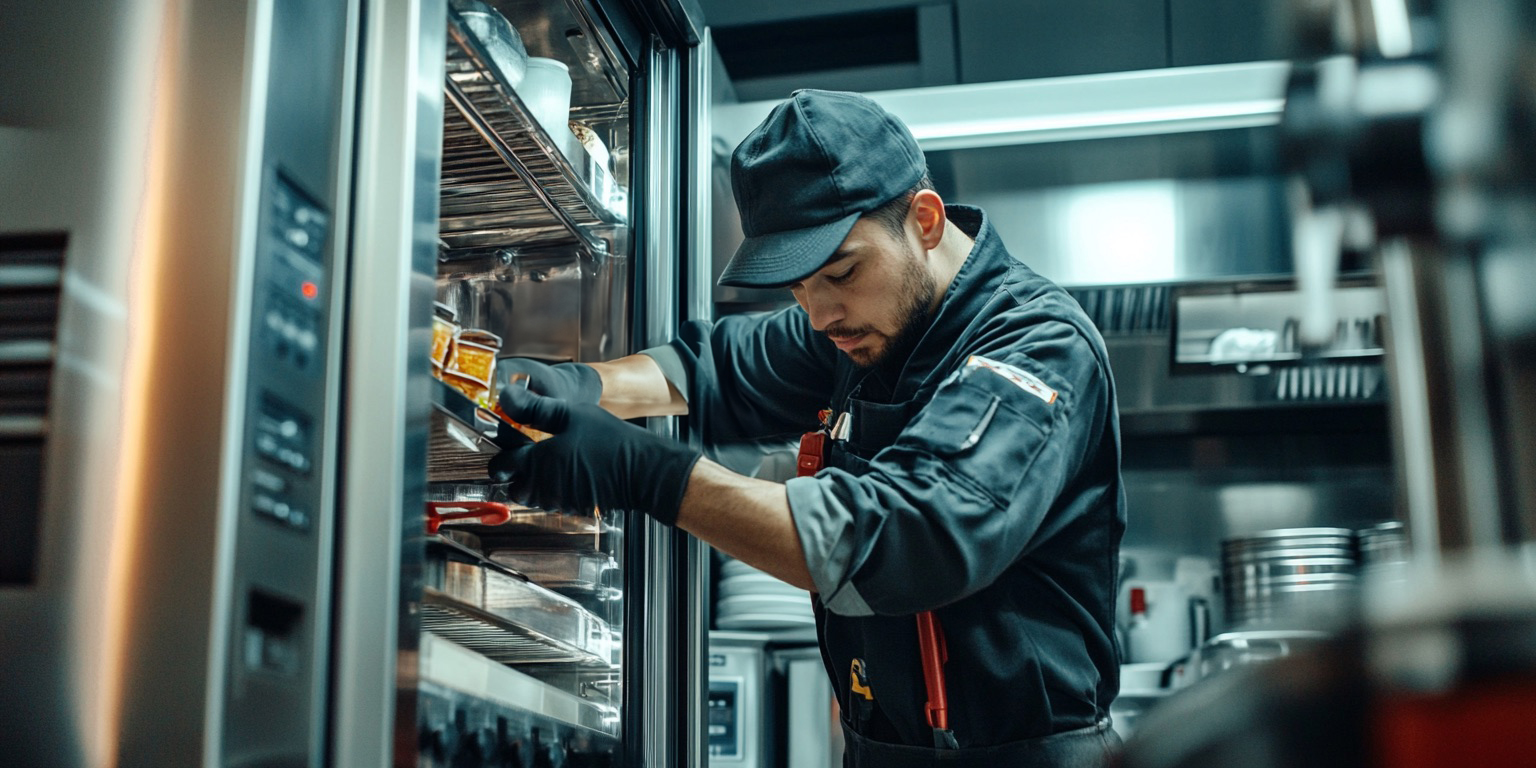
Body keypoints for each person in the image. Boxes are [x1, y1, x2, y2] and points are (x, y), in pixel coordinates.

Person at [489, 89, 1126, 767]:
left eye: (841, 273)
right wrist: (585, 385)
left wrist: (643, 474)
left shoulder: (1034, 347)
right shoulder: (863, 326)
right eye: (797, 288)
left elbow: (910, 533)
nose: (821, 315)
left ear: (926, 220)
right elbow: (715, 369)